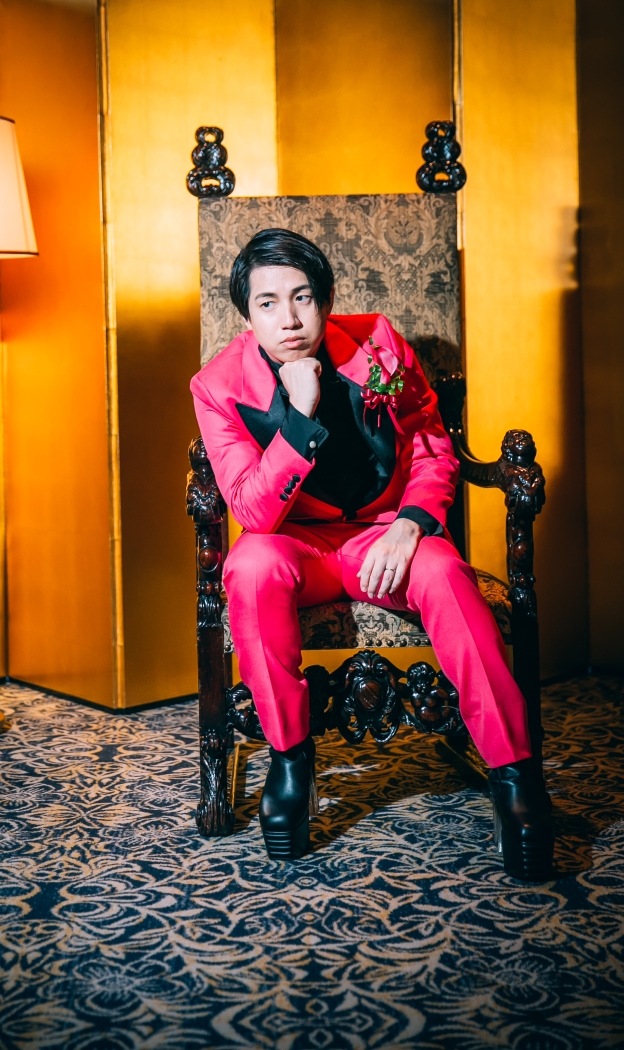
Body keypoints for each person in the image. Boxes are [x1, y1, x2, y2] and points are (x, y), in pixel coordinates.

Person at [190, 227, 553, 880]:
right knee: (247, 566)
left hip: (381, 535)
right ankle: (291, 760)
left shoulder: (379, 343)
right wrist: (300, 416)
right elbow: (252, 511)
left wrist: (411, 525)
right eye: (268, 303)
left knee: (444, 572)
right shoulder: (216, 386)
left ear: (326, 301)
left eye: (303, 298)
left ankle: (514, 773)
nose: (289, 318)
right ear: (246, 314)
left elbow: (432, 443)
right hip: (294, 543)